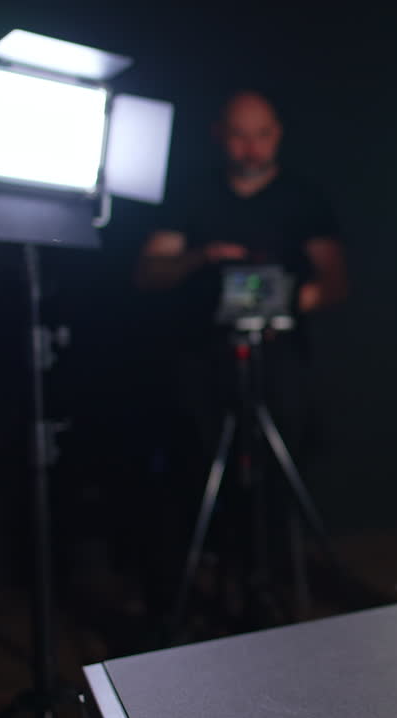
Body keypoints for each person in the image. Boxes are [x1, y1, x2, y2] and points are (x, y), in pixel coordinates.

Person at [133, 90, 347, 609]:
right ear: (219, 135)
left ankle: (273, 586)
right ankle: (198, 590)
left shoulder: (302, 197)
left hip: (278, 360)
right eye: (238, 135)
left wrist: (286, 305)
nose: (250, 148)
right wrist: (200, 258)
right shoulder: (193, 194)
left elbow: (334, 280)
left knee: (279, 475)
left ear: (278, 134)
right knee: (197, 471)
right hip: (202, 360)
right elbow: (147, 271)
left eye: (262, 134)